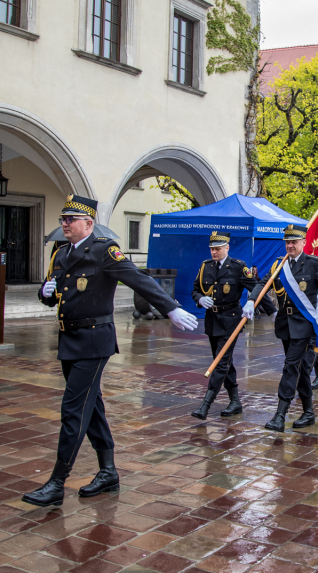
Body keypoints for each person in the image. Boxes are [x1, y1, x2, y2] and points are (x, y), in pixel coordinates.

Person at [23, 196, 198, 506]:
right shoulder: (61, 255)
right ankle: (108, 472)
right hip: (68, 341)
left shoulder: (104, 251)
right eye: (63, 219)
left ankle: (56, 484)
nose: (64, 224)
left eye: (70, 220)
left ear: (88, 224)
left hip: (94, 341)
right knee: (92, 408)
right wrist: (44, 293)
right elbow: (55, 296)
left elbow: (139, 279)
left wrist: (170, 308)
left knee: (73, 410)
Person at [251, 224, 318, 432]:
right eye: (287, 242)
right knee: (301, 370)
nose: (290, 246)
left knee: (290, 366)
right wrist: (251, 300)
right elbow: (263, 283)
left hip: (305, 326)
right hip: (286, 325)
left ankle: (280, 414)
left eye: (294, 242)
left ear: (304, 242)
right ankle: (309, 412)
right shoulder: (280, 263)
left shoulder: (313, 264)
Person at [189, 232, 263, 420]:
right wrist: (200, 299)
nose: (214, 252)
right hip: (212, 320)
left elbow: (256, 286)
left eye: (218, 249)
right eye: (212, 249)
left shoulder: (238, 267)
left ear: (227, 248)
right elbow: (195, 290)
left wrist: (252, 301)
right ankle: (235, 401)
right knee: (224, 361)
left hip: (231, 320)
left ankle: (205, 404)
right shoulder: (205, 266)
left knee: (220, 363)